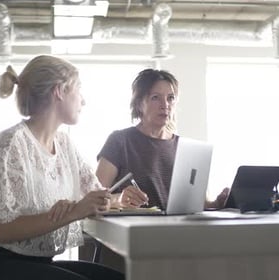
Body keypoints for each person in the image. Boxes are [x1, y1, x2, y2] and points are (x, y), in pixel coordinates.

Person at [0, 55, 124, 280]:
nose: (84, 100)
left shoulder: (64, 144)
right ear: (59, 91)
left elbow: (93, 194)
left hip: (39, 264)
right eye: (78, 89)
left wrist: (116, 199)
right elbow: (4, 231)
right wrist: (74, 211)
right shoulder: (11, 144)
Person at [96, 68, 229, 210]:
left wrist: (217, 204)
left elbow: (201, 204)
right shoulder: (119, 141)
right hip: (135, 230)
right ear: (139, 103)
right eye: (155, 97)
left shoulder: (187, 149)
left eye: (170, 98)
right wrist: (118, 200)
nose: (165, 105)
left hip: (178, 230)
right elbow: (93, 198)